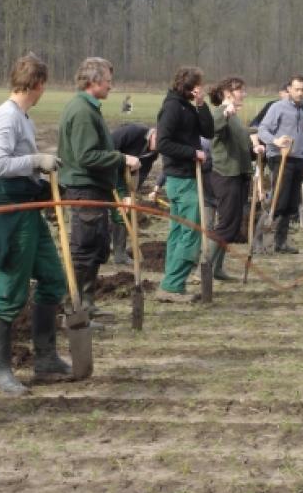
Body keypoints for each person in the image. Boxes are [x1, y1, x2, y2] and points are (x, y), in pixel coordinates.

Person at [0, 54, 73, 396]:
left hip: (29, 207)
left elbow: (18, 167)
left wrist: (42, 181)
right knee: (11, 289)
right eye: (44, 85)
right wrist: (37, 160)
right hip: (10, 213)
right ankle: (0, 370)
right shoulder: (6, 117)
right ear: (37, 84)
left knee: (52, 278)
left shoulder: (23, 118)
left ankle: (46, 358)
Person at [58, 58, 141, 318]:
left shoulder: (90, 108)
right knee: (83, 248)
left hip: (96, 187)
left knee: (97, 245)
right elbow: (86, 156)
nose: (111, 86)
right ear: (93, 81)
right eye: (108, 81)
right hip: (84, 188)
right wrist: (120, 158)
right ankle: (74, 306)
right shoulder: (82, 111)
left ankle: (88, 303)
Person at [155, 66, 214, 301]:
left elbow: (208, 131)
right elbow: (163, 143)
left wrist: (201, 105)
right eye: (199, 86)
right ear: (191, 86)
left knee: (180, 231)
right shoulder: (171, 107)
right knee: (190, 231)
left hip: (187, 176)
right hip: (180, 178)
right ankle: (172, 285)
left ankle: (172, 282)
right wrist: (193, 153)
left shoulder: (187, 106)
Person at [208, 77, 265, 280]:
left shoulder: (235, 117)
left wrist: (253, 150)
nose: (244, 94)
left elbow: (238, 145)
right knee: (225, 225)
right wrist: (225, 114)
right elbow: (213, 130)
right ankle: (205, 268)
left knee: (231, 226)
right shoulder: (218, 113)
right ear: (227, 92)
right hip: (225, 175)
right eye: (240, 90)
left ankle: (217, 269)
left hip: (239, 174)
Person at [257, 75, 303, 253]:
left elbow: (302, 140)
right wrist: (276, 141)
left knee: (291, 203)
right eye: (296, 89)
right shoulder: (277, 108)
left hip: (297, 159)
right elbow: (262, 129)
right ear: (289, 89)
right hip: (280, 158)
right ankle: (260, 241)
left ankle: (281, 243)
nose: (300, 93)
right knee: (278, 201)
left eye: (302, 89)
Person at [109, 124, 158, 264]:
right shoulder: (132, 132)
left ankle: (119, 253)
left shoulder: (153, 153)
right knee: (101, 210)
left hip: (124, 179)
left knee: (123, 210)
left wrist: (132, 192)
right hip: (108, 171)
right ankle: (102, 248)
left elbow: (142, 172)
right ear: (154, 133)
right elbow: (108, 148)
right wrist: (125, 159)